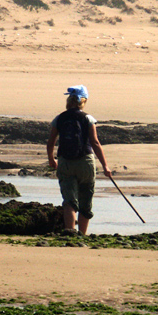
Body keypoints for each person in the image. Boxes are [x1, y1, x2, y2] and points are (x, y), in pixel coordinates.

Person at [47, 85, 112, 234]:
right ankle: (82, 234)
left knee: (69, 201)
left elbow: (51, 142)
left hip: (65, 162)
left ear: (69, 100)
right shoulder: (88, 118)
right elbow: (95, 143)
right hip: (85, 162)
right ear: (84, 100)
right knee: (85, 199)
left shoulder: (59, 118)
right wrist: (105, 166)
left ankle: (70, 233)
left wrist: (51, 160)